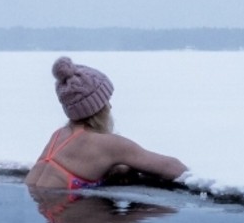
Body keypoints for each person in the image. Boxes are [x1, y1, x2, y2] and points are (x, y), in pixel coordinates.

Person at [25, 56, 188, 190]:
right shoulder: (109, 145)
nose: (110, 106)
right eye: (106, 102)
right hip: (70, 214)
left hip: (45, 215)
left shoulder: (59, 135)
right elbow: (174, 168)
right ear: (97, 108)